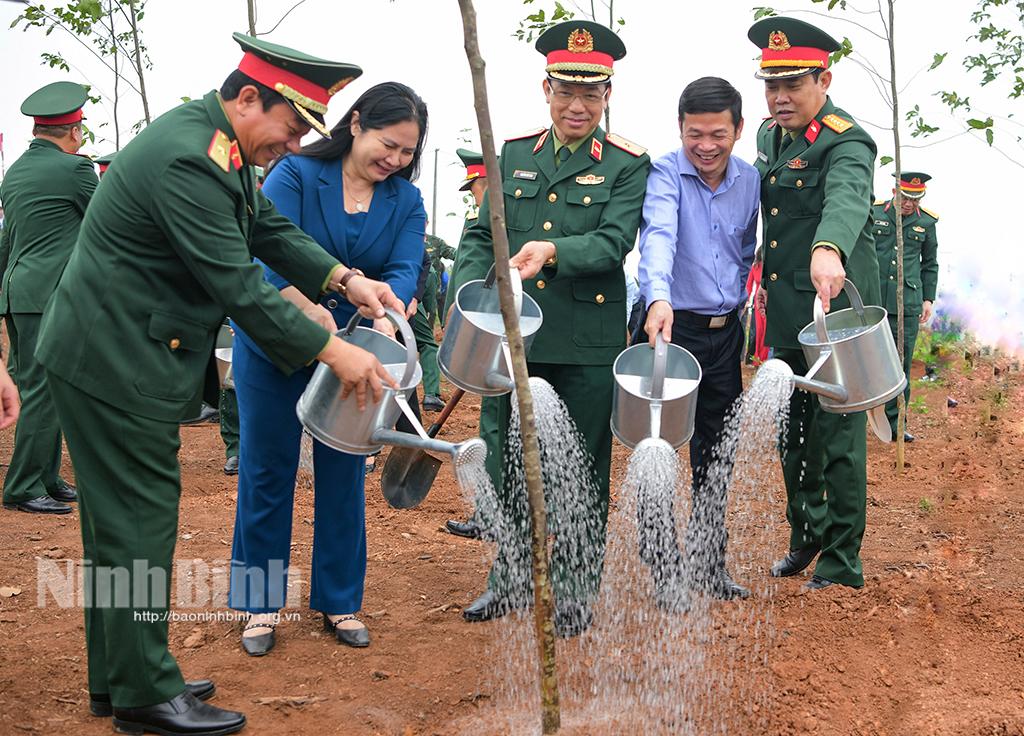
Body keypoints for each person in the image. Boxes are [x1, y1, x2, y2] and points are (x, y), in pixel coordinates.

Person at [38, 34, 404, 736]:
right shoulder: (189, 158)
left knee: (118, 529)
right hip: (114, 358)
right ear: (246, 99)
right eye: (291, 126)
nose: (294, 144)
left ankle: (117, 678)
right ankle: (145, 692)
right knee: (139, 522)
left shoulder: (216, 145)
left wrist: (343, 279)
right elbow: (238, 285)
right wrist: (334, 350)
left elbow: (265, 227)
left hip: (113, 348)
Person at [454, 20, 650, 636]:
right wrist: (473, 296)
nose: (577, 105)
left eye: (591, 94)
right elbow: (480, 235)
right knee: (513, 461)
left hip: (587, 339)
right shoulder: (509, 154)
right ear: (546, 89)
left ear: (608, 96)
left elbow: (614, 240)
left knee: (583, 469)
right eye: (566, 91)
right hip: (519, 340)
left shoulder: (626, 164)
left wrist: (551, 250)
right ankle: (508, 578)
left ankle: (573, 590)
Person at [229, 81, 427, 657]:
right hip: (277, 341)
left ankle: (339, 599)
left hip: (359, 353)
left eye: (407, 153)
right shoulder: (294, 175)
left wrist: (388, 316)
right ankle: (259, 605)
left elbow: (406, 268)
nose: (394, 160)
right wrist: (307, 307)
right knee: (268, 470)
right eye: (387, 144)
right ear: (357, 123)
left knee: (344, 473)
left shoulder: (406, 202)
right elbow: (266, 255)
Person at [748, 17, 881, 591]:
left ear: (822, 79)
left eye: (793, 84)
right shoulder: (768, 136)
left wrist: (829, 247)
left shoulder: (846, 139)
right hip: (787, 310)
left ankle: (841, 559)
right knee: (791, 428)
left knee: (839, 433)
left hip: (836, 312)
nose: (780, 97)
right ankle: (805, 535)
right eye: (771, 85)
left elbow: (847, 197)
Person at [638, 76, 759, 607]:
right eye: (694, 135)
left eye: (717, 135)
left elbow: (750, 248)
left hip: (724, 334)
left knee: (717, 451)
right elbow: (658, 236)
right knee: (659, 446)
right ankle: (665, 570)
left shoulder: (751, 181)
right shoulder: (665, 173)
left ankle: (710, 564)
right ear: (680, 130)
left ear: (738, 129)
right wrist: (657, 298)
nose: (705, 146)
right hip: (669, 328)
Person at [0, 81, 96, 514]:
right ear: (74, 131)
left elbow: (9, 240)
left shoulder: (15, 171)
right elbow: (109, 219)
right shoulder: (75, 169)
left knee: (42, 386)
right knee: (44, 390)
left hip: (19, 294)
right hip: (50, 295)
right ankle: (22, 485)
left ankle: (47, 476)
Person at [445, 147, 491, 540]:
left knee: (495, 422)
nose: (473, 196)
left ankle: (491, 513)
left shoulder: (492, 214)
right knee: (492, 419)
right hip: (477, 320)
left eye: (475, 186)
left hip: (491, 324)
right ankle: (490, 511)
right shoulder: (477, 217)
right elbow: (465, 270)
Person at [872, 172, 939, 442]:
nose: (909, 204)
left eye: (915, 199)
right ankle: (857, 420)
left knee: (900, 366)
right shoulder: (875, 212)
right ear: (893, 191)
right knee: (868, 362)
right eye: (905, 197)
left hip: (908, 305)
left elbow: (930, 263)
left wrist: (928, 299)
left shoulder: (927, 222)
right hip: (874, 300)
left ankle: (896, 424)